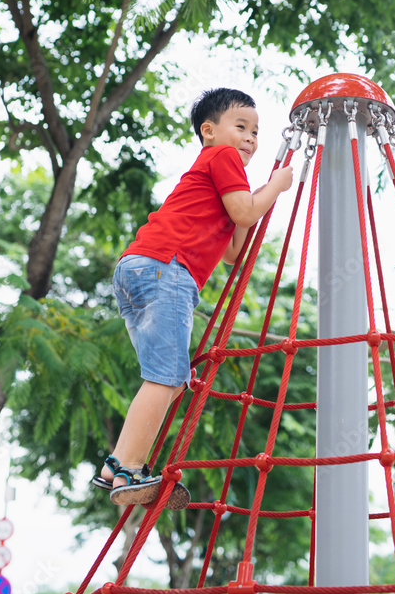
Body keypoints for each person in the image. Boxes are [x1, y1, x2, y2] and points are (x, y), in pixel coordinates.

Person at [92, 87, 293, 508]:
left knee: (168, 378)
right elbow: (243, 212)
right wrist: (275, 187)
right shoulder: (220, 158)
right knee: (166, 377)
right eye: (241, 126)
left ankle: (116, 465)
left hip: (140, 269)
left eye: (256, 132)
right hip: (167, 269)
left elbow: (235, 250)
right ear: (209, 131)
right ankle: (130, 470)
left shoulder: (224, 174)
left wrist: (257, 198)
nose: (250, 138)